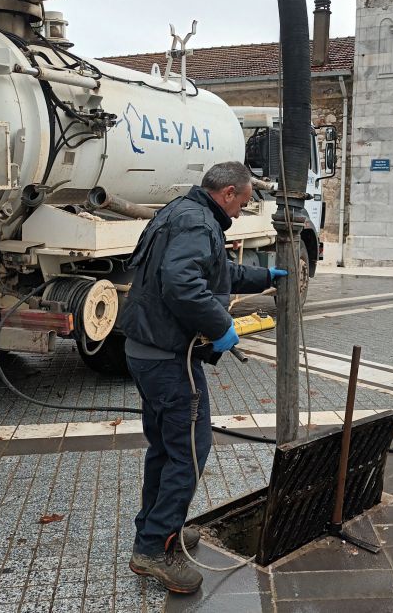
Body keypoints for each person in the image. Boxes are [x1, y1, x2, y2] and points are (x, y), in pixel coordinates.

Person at [119, 161, 287, 593]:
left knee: (164, 448)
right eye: (243, 203)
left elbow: (212, 273)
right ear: (228, 192)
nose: (240, 212)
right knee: (189, 452)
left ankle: (161, 528)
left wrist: (262, 276)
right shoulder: (199, 223)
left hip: (144, 350)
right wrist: (220, 327)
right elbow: (181, 283)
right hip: (169, 360)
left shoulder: (181, 211)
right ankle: (154, 548)